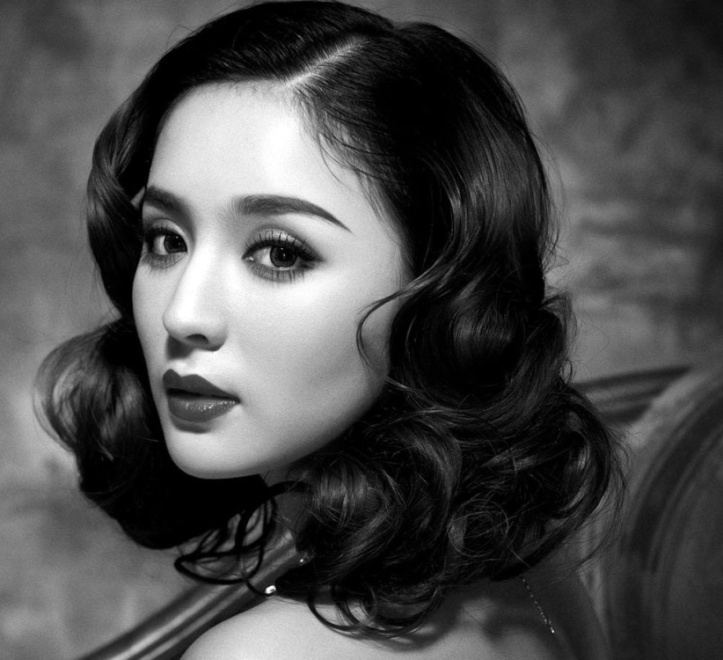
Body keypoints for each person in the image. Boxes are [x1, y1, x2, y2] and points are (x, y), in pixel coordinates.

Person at [38, 1, 622, 657]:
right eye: (167, 240)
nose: (184, 314)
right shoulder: (534, 572)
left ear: (438, 287)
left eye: (279, 253)